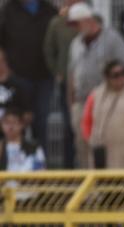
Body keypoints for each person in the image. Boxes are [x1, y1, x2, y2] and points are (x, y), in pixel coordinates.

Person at [67, 2, 124, 168]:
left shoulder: (112, 39)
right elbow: (72, 74)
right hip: (81, 101)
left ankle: (108, 188)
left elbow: (123, 68)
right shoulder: (75, 44)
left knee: (108, 146)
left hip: (107, 100)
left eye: (76, 23)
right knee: (82, 144)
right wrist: (72, 104)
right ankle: (89, 190)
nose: (75, 28)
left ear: (88, 20)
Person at [0, 0, 56, 152]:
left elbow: (55, 40)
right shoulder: (8, 10)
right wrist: (5, 70)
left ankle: (39, 162)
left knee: (41, 122)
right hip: (17, 79)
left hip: (44, 77)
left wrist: (55, 69)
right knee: (16, 122)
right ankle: (14, 163)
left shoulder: (49, 9)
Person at [42, 0, 80, 167]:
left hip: (88, 84)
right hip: (67, 83)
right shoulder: (57, 23)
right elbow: (48, 49)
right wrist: (57, 71)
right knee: (68, 127)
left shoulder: (90, 19)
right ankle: (69, 169)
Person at [0, 49, 32, 123]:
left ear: (6, 62)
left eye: (1, 61)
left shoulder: (20, 85)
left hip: (14, 127)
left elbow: (28, 115)